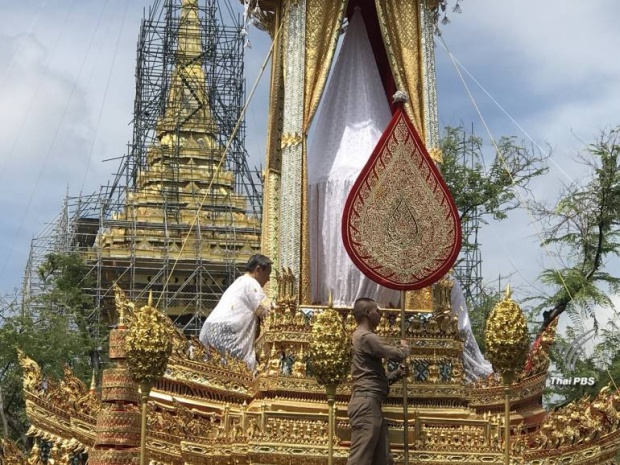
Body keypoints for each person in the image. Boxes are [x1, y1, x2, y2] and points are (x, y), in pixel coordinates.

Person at [347, 298, 410, 465]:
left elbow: (372, 377)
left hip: (371, 402)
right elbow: (394, 353)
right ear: (367, 313)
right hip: (366, 404)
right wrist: (404, 349)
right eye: (377, 311)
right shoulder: (365, 337)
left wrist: (397, 374)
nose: (380, 314)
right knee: (360, 459)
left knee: (383, 458)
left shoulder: (362, 337)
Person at [199, 254, 273, 372]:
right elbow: (266, 310)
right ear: (258, 270)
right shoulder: (250, 283)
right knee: (242, 372)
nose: (268, 279)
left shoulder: (239, 282)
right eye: (267, 274)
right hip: (224, 333)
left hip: (208, 331)